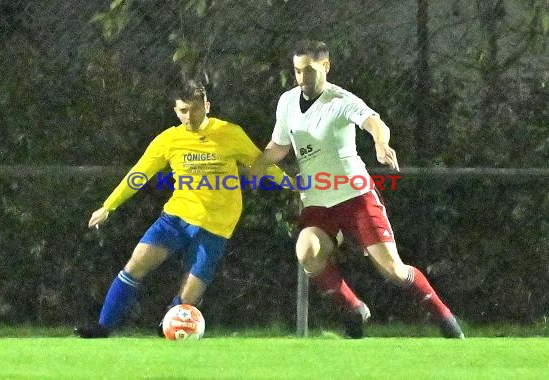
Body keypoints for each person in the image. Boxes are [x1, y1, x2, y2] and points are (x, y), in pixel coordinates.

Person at [251, 40, 464, 338]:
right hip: (316, 201)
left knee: (394, 271)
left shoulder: (340, 99)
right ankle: (353, 308)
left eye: (309, 71)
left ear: (325, 66)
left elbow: (374, 122)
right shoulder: (287, 102)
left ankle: (445, 318)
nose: (303, 78)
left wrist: (380, 142)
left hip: (354, 195)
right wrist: (253, 168)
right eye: (297, 71)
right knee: (306, 250)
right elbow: (279, 146)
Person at [75, 80, 291, 338]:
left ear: (207, 106)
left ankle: (170, 325)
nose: (190, 116)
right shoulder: (168, 140)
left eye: (195, 109)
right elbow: (138, 174)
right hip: (177, 217)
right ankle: (102, 327)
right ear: (176, 112)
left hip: (217, 225)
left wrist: (296, 185)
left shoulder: (229, 133)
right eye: (183, 111)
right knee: (136, 263)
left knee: (188, 298)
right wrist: (108, 206)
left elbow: (262, 163)